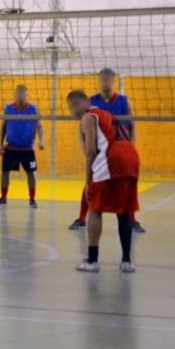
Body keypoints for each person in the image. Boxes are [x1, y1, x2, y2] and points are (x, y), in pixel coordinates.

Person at [67, 90, 139, 273]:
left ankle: (92, 261)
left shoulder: (88, 116)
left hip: (111, 160)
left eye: (73, 106)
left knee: (95, 209)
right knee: (124, 211)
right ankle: (127, 261)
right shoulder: (107, 113)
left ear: (83, 102)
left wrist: (88, 180)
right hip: (131, 157)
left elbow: (91, 150)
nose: (72, 111)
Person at [69, 67, 145, 233]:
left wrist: (131, 145)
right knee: (90, 183)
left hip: (119, 152)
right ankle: (82, 218)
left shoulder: (124, 101)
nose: (105, 81)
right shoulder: (91, 101)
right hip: (99, 152)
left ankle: (132, 220)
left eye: (108, 78)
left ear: (113, 80)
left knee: (126, 185)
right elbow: (81, 127)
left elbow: (133, 125)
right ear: (98, 80)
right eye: (102, 78)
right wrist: (85, 148)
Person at [0, 85, 45, 209]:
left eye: (24, 93)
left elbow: (40, 125)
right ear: (15, 94)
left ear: (27, 95)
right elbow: (3, 126)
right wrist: (0, 144)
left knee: (31, 173)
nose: (21, 95)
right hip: (11, 148)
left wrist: (41, 141)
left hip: (27, 149)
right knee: (5, 172)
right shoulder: (8, 108)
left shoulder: (33, 109)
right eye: (19, 93)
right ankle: (3, 198)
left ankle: (32, 199)